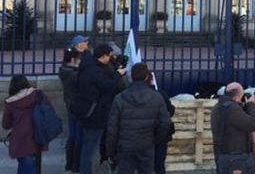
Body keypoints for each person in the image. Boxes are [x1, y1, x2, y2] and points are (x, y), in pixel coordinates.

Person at [106, 63, 172, 174]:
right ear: (147, 76)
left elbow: (112, 128)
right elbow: (165, 123)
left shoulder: (120, 98)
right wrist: (155, 140)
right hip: (146, 145)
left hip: (125, 146)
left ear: (132, 76)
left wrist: (110, 151)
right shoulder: (157, 97)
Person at [74, 44, 125, 174]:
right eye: (108, 56)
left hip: (91, 111)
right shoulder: (94, 70)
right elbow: (109, 86)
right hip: (95, 114)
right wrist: (118, 74)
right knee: (91, 149)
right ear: (103, 56)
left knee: (89, 146)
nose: (110, 58)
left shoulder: (90, 66)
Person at [2, 75, 52, 174]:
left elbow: (6, 125)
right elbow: (48, 113)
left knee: (24, 166)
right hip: (38, 137)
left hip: (21, 141)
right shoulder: (39, 95)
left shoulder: (10, 103)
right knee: (30, 167)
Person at [210, 82, 255, 174]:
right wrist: (251, 105)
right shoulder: (232, 109)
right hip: (236, 159)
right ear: (238, 96)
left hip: (224, 155)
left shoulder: (218, 107)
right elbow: (252, 124)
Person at [58, 47, 82, 173]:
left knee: (72, 134)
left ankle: (69, 163)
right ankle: (75, 164)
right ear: (73, 59)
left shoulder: (64, 70)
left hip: (70, 105)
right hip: (77, 106)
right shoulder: (73, 73)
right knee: (78, 136)